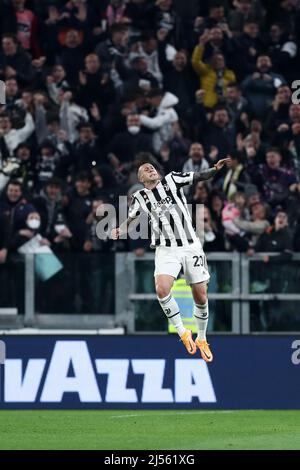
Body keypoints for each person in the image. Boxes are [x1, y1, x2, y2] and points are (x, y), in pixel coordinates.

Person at [111, 157, 232, 362]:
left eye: (152, 167)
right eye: (145, 169)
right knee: (161, 289)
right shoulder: (140, 197)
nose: (150, 169)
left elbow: (198, 176)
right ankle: (183, 332)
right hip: (166, 249)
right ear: (141, 179)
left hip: (190, 245)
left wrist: (214, 169)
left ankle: (201, 338)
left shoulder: (173, 179)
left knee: (201, 296)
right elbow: (131, 220)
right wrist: (119, 230)